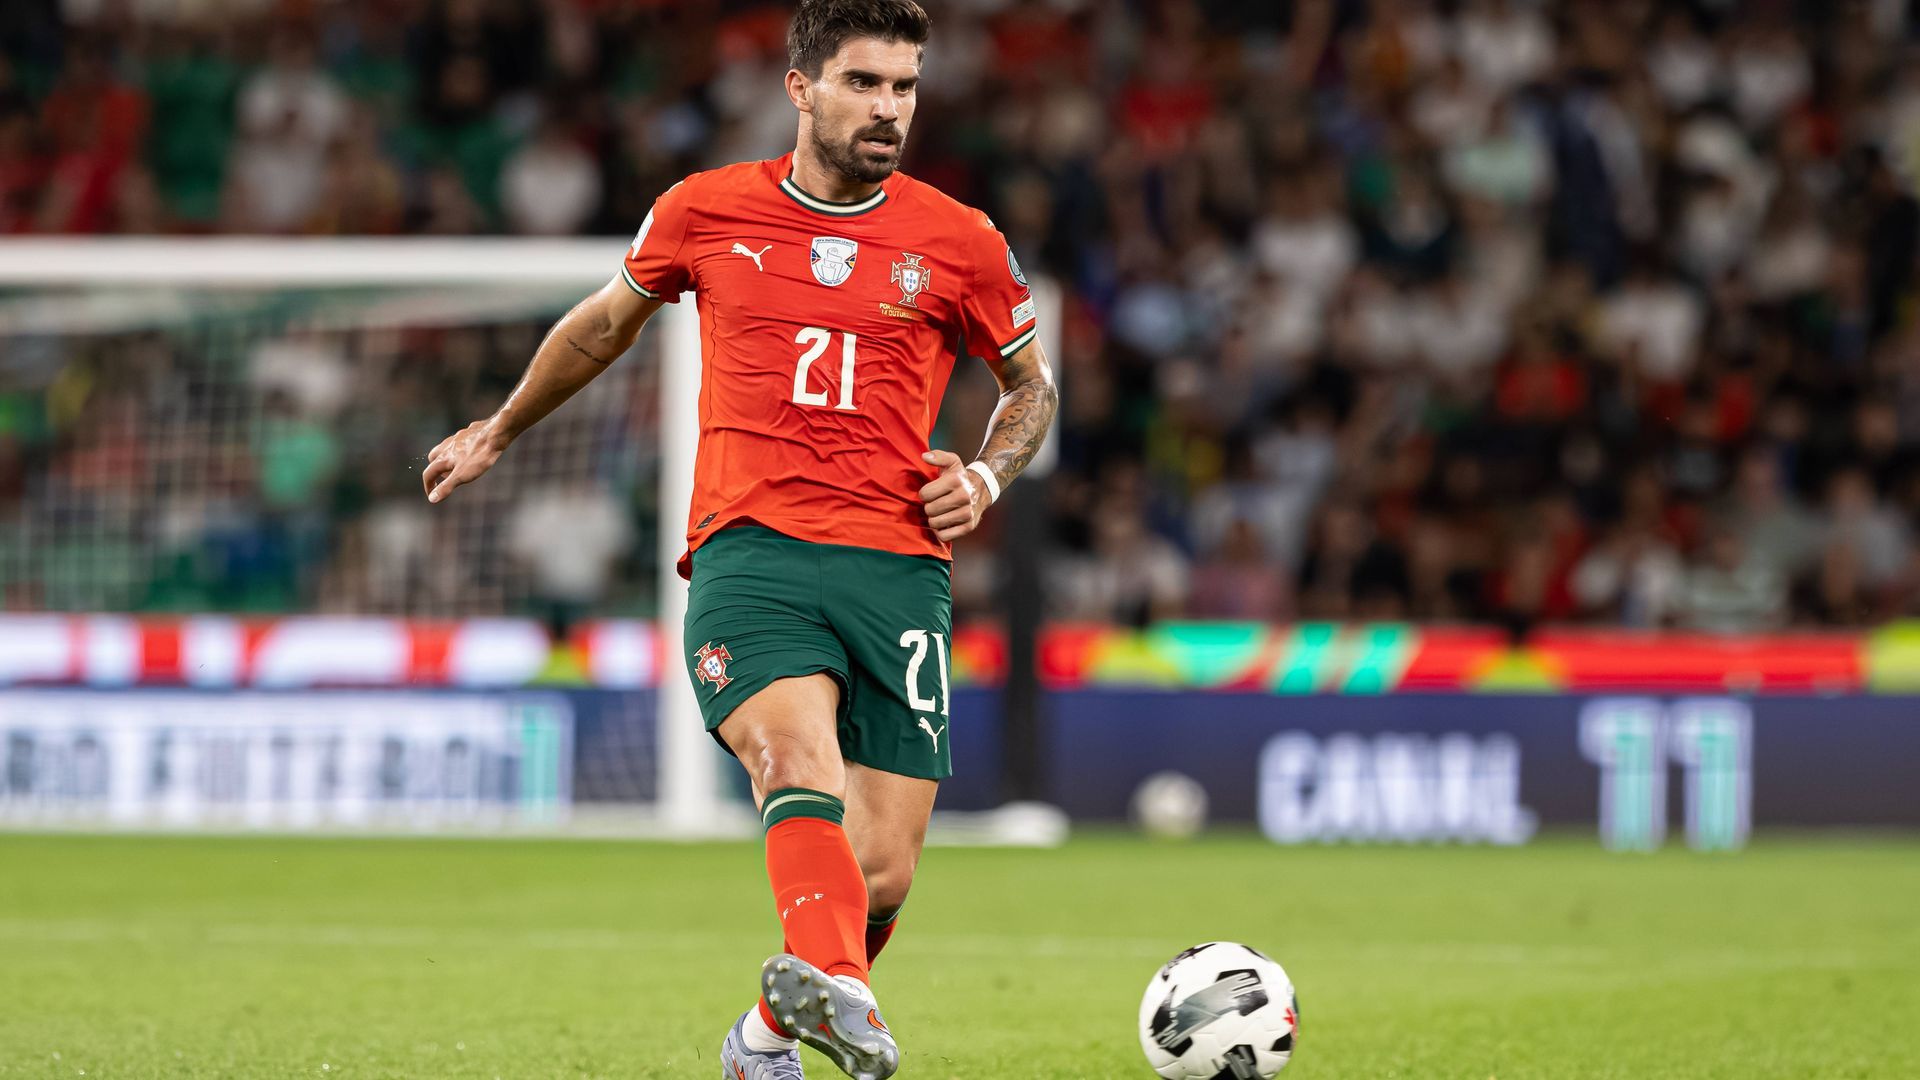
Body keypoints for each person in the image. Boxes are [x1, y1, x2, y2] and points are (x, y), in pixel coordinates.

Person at [419, 3, 1057, 1077]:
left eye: (904, 87)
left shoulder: (961, 240)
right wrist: (499, 427)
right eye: (864, 83)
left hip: (900, 570)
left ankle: (766, 1036)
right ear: (800, 87)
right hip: (750, 552)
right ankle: (849, 997)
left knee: (886, 870)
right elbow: (600, 326)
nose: (889, 109)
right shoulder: (705, 211)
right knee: (792, 759)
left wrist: (988, 475)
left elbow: (1029, 389)